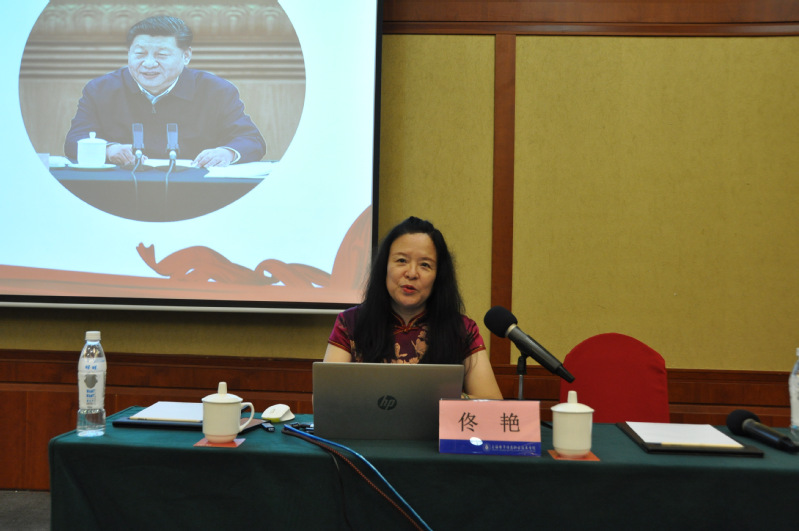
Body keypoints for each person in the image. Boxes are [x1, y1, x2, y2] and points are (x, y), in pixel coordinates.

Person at [324, 216, 504, 399]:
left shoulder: (462, 330)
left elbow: (490, 401)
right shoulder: (350, 323)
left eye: (425, 265)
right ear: (384, 267)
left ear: (438, 276)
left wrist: (447, 400)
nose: (411, 273)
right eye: (401, 260)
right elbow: (326, 398)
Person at [64, 15, 266, 168]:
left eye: (161, 55)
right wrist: (109, 150)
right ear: (129, 54)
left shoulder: (216, 91)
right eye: (139, 54)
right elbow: (74, 141)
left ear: (186, 56)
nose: (149, 63)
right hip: (119, 189)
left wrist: (226, 153)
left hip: (195, 190)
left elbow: (251, 140)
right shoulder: (100, 90)